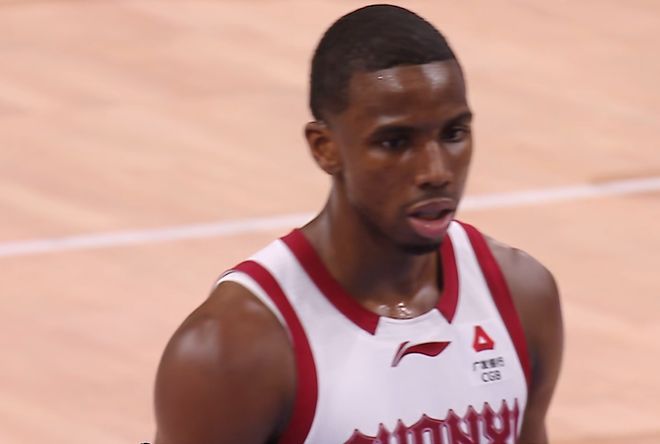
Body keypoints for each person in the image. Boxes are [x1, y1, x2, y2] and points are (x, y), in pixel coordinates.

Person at [153, 4, 563, 444]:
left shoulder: (521, 295)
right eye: (396, 142)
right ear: (324, 148)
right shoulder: (234, 349)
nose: (436, 170)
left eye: (453, 134)